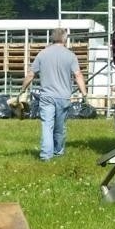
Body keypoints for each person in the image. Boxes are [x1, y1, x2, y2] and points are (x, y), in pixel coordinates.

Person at [19, 28, 87, 161]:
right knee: (60, 127)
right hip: (63, 97)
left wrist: (22, 90)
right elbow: (78, 75)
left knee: (47, 125)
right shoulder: (70, 55)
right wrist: (84, 94)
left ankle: (45, 155)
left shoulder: (42, 54)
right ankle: (58, 152)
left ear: (52, 38)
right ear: (65, 39)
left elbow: (31, 74)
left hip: (47, 97)